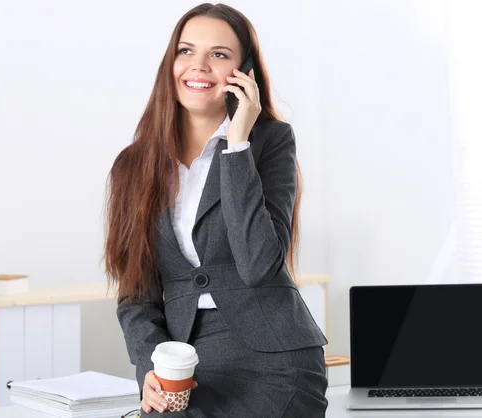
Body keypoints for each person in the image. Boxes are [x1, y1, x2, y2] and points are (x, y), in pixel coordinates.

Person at [104, 3, 328, 417]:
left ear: (244, 73)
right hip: (182, 365)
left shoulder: (269, 143)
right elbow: (136, 292)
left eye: (219, 55)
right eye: (186, 51)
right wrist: (150, 364)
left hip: (273, 365)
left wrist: (237, 144)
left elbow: (260, 264)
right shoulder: (132, 165)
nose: (198, 66)